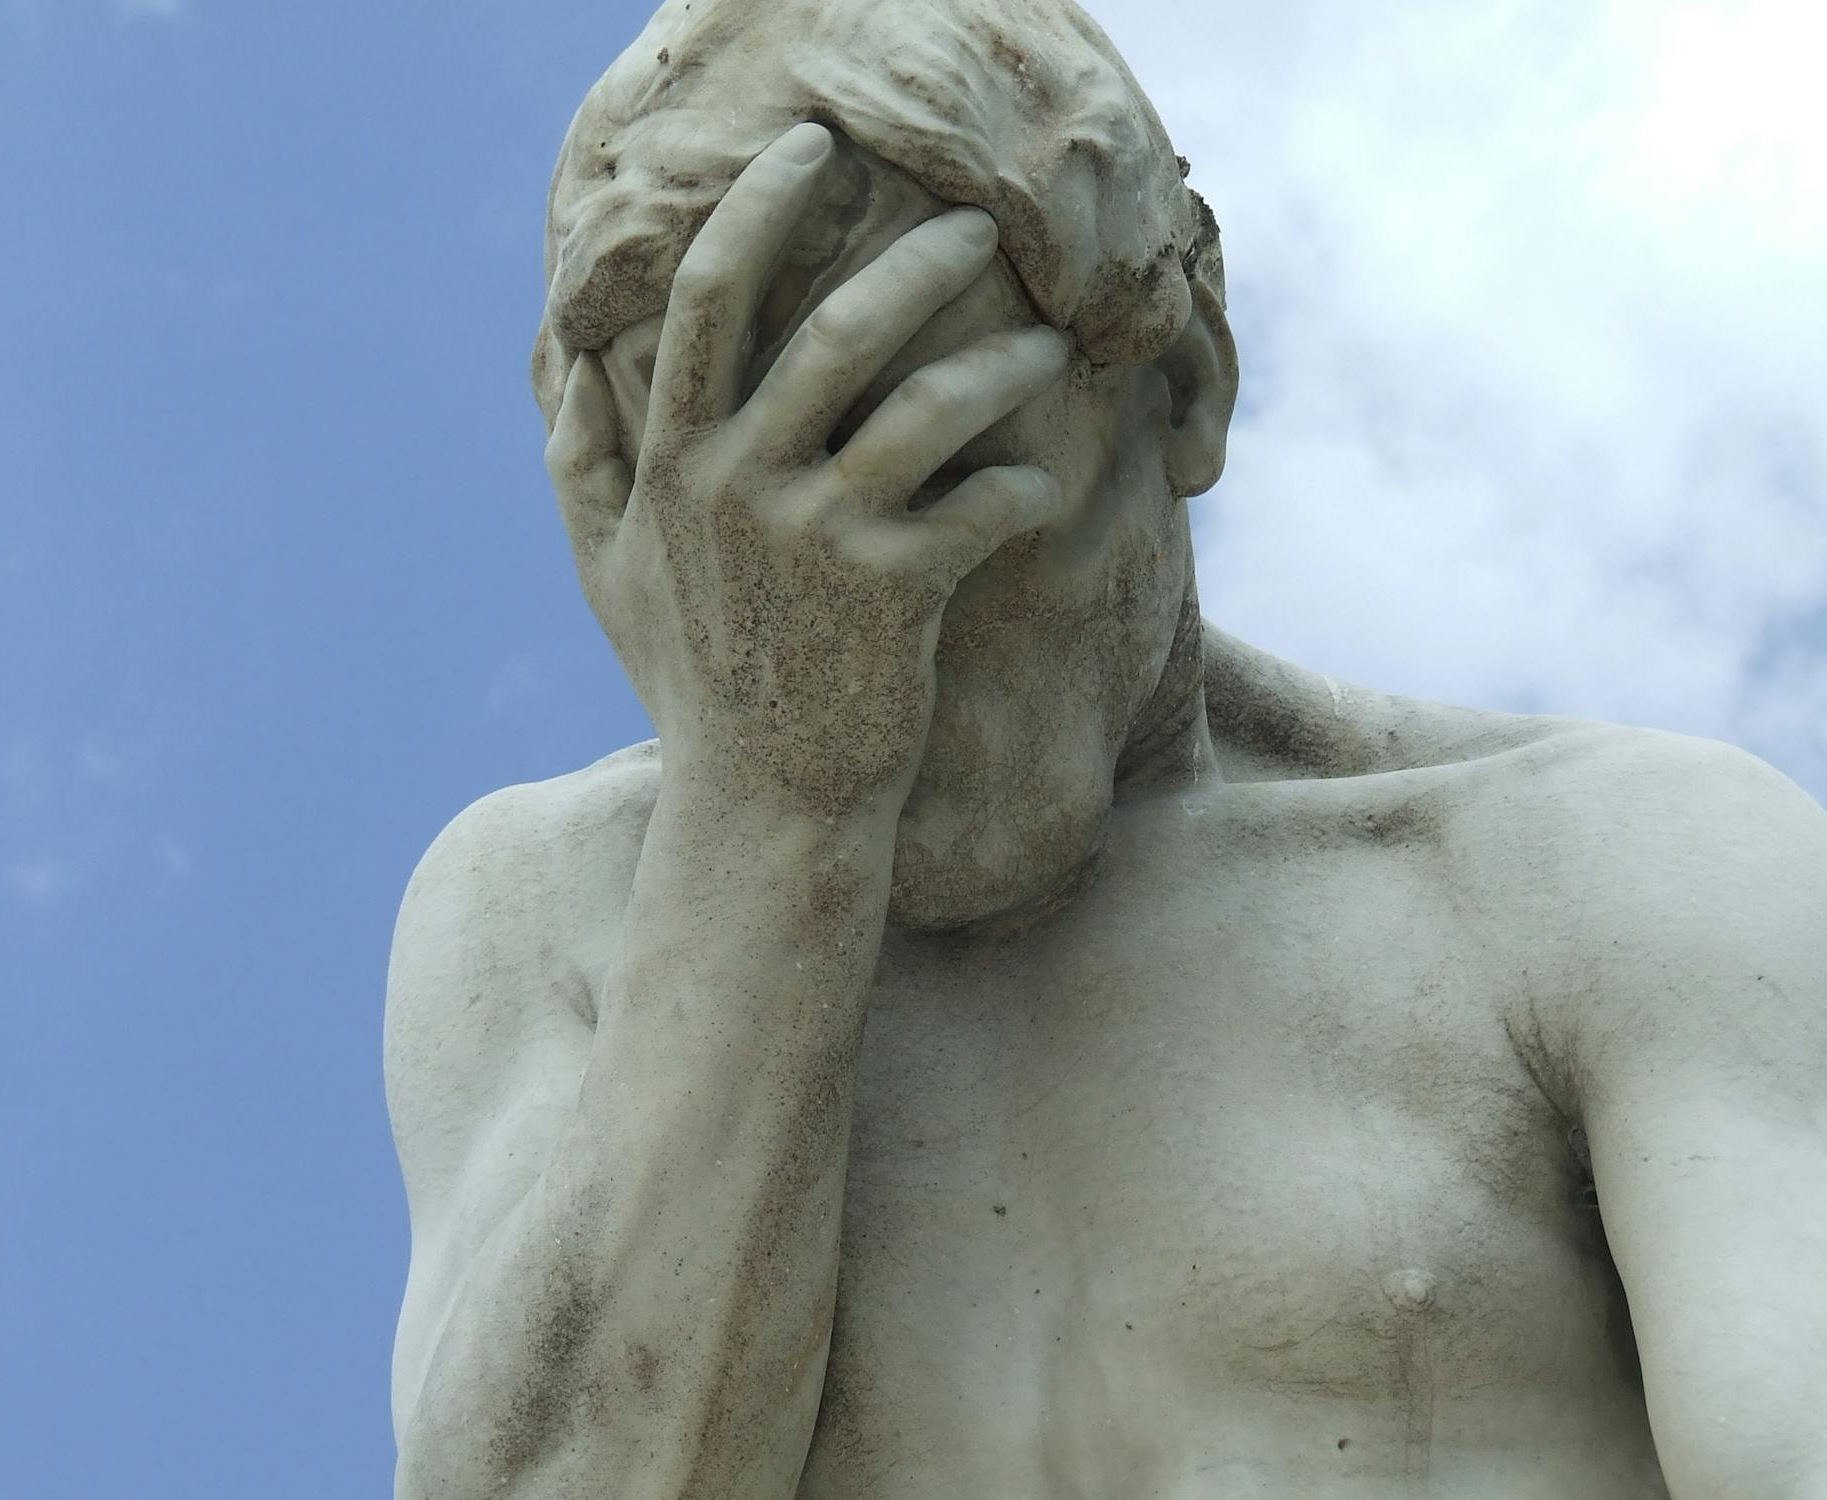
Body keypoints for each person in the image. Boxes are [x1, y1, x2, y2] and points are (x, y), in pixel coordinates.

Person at [384, 1, 1827, 1494]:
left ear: (1185, 380)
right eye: (769, 571)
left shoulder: (1600, 874)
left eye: (944, 504)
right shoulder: (552, 909)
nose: (869, 660)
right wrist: (774, 798)